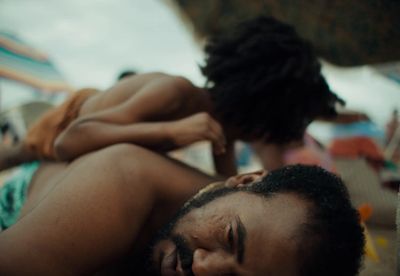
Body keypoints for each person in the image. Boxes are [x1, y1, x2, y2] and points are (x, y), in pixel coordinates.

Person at [0, 16, 344, 176]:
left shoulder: (223, 127)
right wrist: (169, 132)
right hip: (68, 122)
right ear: (259, 112)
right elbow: (68, 143)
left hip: (91, 140)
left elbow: (222, 181)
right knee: (18, 155)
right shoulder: (176, 93)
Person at [0, 144, 364, 275]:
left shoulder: (251, 224)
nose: (205, 268)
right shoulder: (121, 182)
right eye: (230, 237)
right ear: (244, 180)